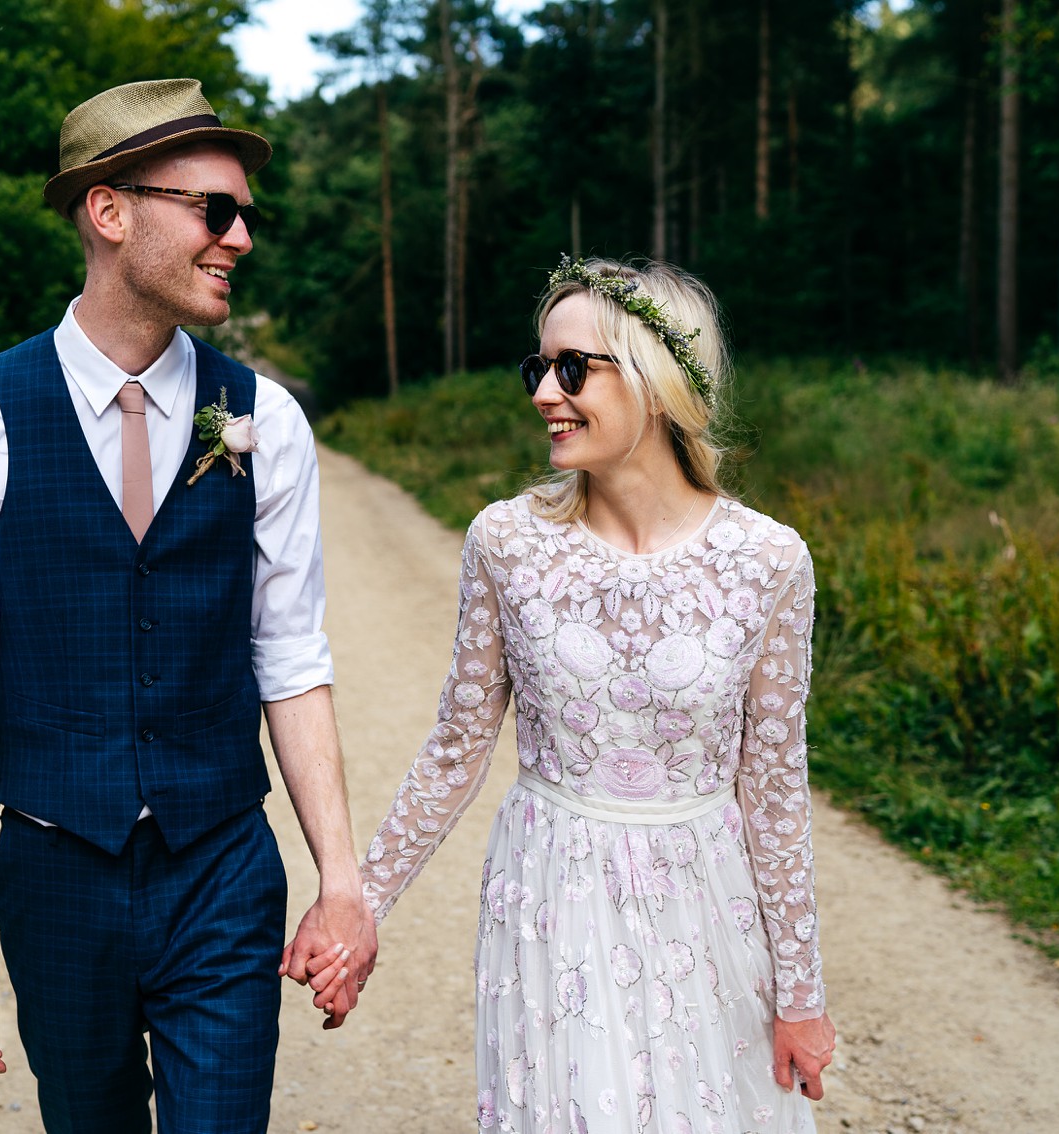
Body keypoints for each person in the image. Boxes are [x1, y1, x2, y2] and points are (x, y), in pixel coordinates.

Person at [0, 78, 376, 1134]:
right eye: (215, 209)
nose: (241, 236)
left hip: (220, 867)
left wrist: (340, 880)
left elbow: (290, 654)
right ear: (110, 212)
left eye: (247, 213)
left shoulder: (265, 420)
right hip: (53, 869)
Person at [353, 257, 834, 1132]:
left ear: (655, 379)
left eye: (572, 368)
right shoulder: (507, 541)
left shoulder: (769, 562)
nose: (544, 392)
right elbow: (457, 747)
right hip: (554, 889)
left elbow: (772, 791)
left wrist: (801, 995)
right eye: (536, 367)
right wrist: (361, 904)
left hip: (706, 902)